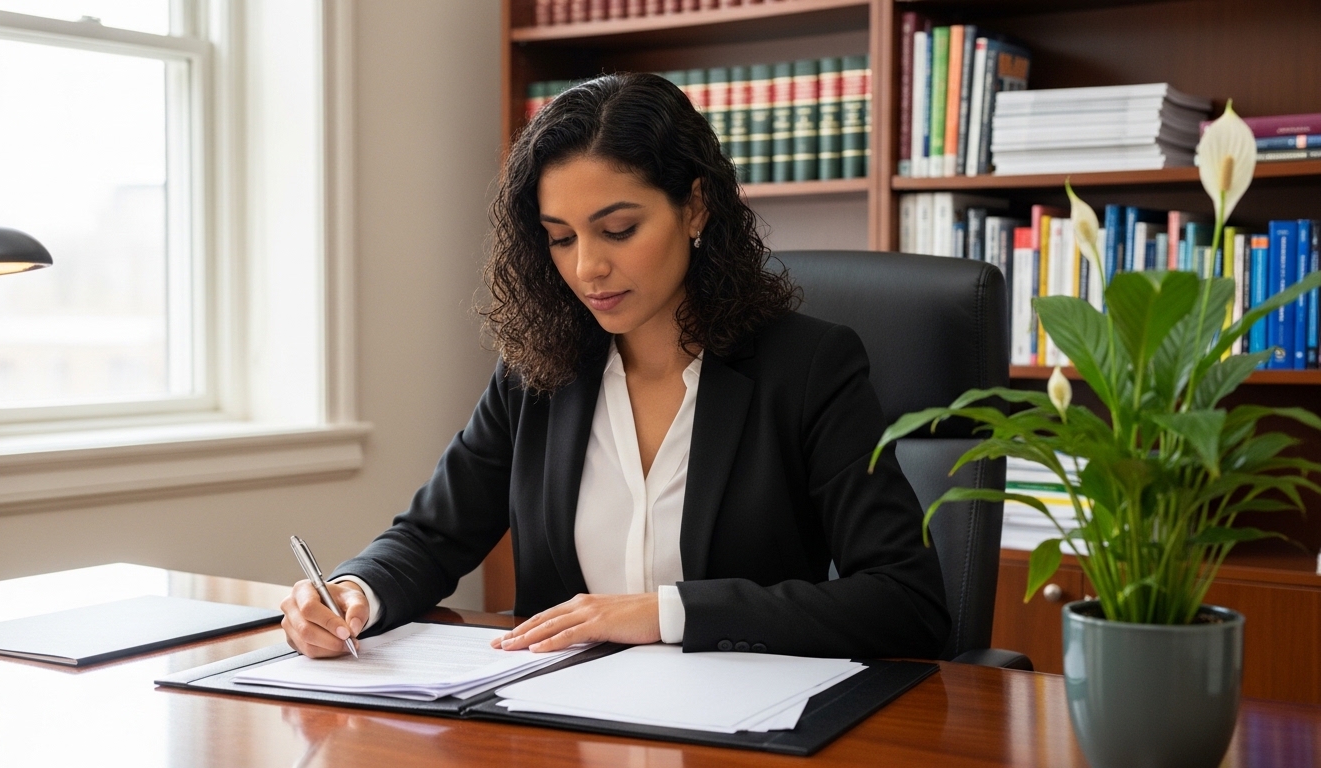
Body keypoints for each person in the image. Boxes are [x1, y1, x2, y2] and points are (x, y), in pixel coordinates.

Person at [280, 72, 949, 660]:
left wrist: (664, 614)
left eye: (619, 230)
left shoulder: (808, 369)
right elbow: (432, 537)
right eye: (561, 239)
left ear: (694, 208)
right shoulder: (537, 373)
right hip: (560, 728)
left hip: (735, 735)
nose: (586, 268)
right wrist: (351, 592)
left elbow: (904, 601)